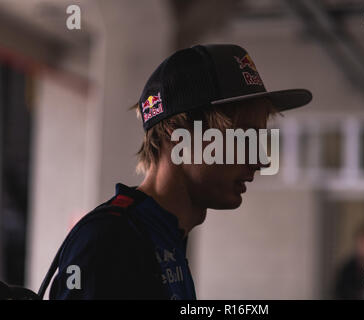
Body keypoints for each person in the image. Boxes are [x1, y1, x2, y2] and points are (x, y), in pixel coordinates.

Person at [48, 44, 312, 299]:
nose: (260, 161)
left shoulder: (162, 235)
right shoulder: (109, 242)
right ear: (179, 136)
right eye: (243, 139)